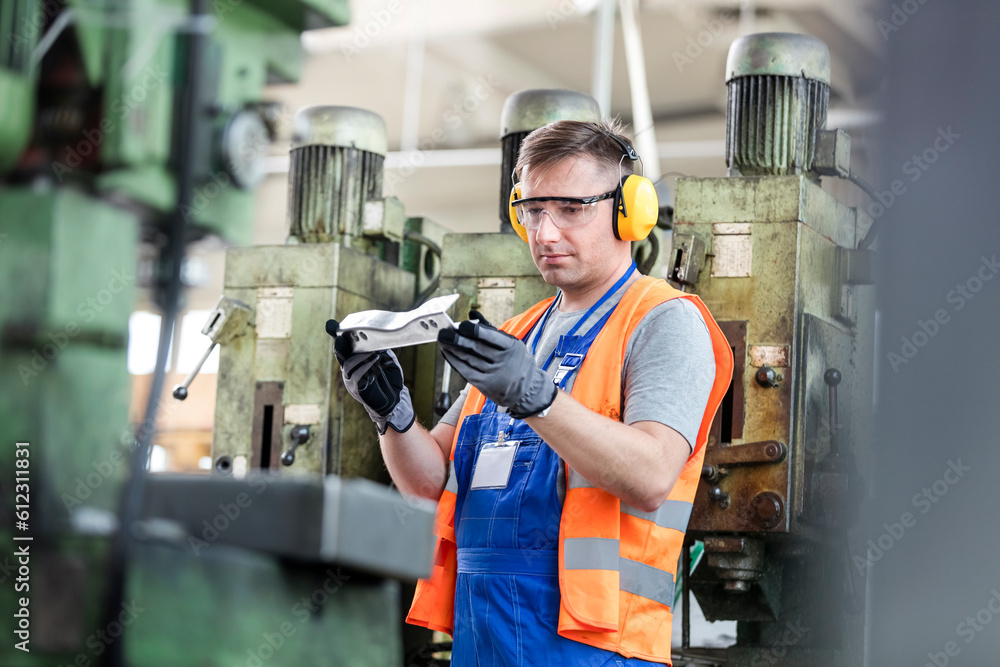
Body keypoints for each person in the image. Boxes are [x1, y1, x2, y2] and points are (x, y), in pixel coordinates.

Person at [327, 119, 733, 666]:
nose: (544, 233)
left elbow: (651, 475)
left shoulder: (664, 321)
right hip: (483, 633)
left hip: (593, 645)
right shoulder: (515, 335)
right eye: (534, 210)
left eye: (570, 208)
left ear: (628, 211)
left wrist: (537, 398)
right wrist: (392, 416)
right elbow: (431, 484)